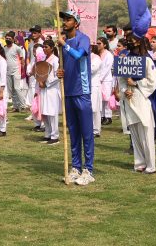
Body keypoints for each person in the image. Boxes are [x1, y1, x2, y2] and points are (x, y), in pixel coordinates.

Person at [56, 10, 95, 186]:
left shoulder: (83, 39)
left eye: (68, 19)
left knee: (86, 132)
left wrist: (64, 44)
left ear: (76, 23)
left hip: (82, 91)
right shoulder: (63, 43)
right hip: (69, 91)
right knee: (74, 132)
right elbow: (65, 64)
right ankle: (76, 167)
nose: (65, 22)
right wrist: (60, 72)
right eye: (64, 19)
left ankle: (88, 170)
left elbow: (79, 55)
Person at [118, 38, 156, 173]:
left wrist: (136, 83)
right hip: (129, 98)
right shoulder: (125, 59)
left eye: (133, 40)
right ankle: (139, 163)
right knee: (134, 132)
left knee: (145, 132)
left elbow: (153, 81)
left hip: (142, 97)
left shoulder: (146, 60)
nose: (130, 43)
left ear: (139, 42)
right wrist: (125, 90)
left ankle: (151, 166)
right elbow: (122, 79)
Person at [38, 39, 61, 145]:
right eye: (43, 47)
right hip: (43, 89)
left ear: (52, 48)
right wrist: (40, 81)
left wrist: (47, 83)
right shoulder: (44, 59)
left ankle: (55, 136)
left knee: (52, 112)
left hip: (52, 89)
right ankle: (47, 134)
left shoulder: (55, 60)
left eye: (46, 47)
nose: (44, 49)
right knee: (44, 112)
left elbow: (58, 76)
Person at [4, 31, 25, 112]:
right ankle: (15, 106)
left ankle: (23, 105)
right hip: (8, 71)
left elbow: (22, 59)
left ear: (13, 39)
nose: (7, 40)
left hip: (16, 70)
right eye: (6, 38)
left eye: (9, 38)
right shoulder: (4, 48)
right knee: (11, 90)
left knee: (17, 88)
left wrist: (22, 69)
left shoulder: (17, 48)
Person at [97, 37, 114, 126]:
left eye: (99, 43)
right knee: (101, 98)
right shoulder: (97, 54)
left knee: (107, 98)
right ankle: (102, 116)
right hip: (98, 79)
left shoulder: (109, 55)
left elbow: (107, 68)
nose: (98, 45)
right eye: (97, 43)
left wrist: (100, 78)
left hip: (106, 79)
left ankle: (108, 116)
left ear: (104, 44)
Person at [90, 43, 103, 138]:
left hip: (94, 85)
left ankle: (96, 130)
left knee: (94, 108)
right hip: (87, 85)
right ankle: (89, 128)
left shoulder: (96, 58)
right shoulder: (85, 58)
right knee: (88, 108)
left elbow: (92, 70)